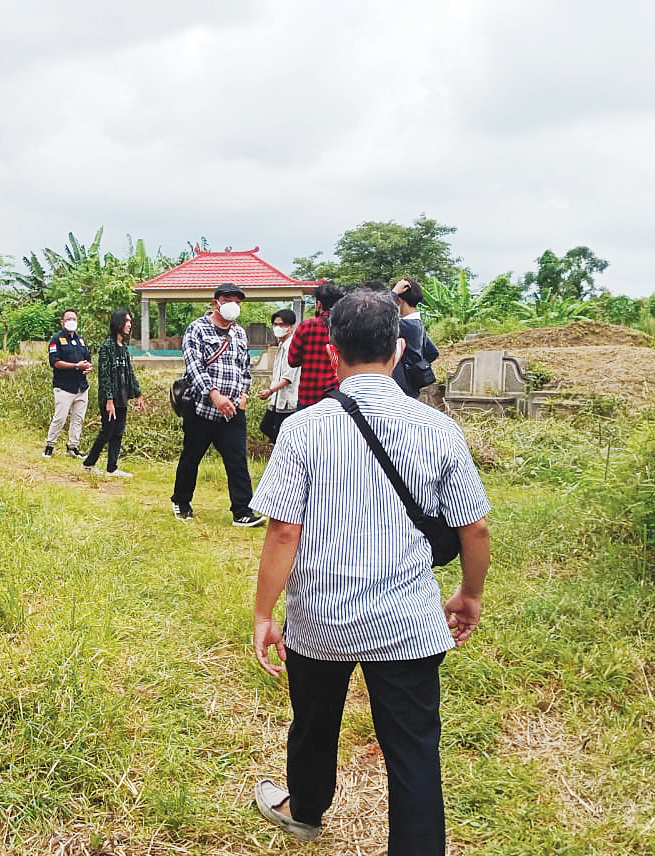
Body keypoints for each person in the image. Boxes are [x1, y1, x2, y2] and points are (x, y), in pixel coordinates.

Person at [249, 288, 492, 851]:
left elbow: (284, 530)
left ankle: (304, 809)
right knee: (412, 749)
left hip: (319, 619)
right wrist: (469, 593)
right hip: (406, 621)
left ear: (331, 352)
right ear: (400, 348)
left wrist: (264, 614)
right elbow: (473, 529)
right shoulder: (438, 430)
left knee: (313, 724)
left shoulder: (302, 429)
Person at [170, 282, 264, 527]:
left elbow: (245, 368)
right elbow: (194, 366)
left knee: (237, 460)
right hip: (201, 408)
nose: (234, 305)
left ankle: (242, 511)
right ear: (216, 303)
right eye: (229, 300)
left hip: (233, 411)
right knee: (192, 456)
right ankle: (181, 500)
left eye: (238, 302)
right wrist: (214, 395)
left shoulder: (239, 333)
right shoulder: (197, 329)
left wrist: (244, 394)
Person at [82, 309, 146, 478]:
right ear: (118, 323)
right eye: (127, 321)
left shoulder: (124, 348)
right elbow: (105, 376)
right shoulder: (106, 347)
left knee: (118, 432)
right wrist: (109, 400)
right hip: (110, 398)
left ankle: (112, 468)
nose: (129, 325)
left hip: (122, 397)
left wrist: (138, 394)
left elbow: (129, 373)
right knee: (107, 431)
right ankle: (89, 463)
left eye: (131, 322)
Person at [287, 284, 345, 407]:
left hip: (309, 396)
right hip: (337, 396)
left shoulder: (306, 326)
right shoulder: (347, 328)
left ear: (319, 304)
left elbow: (292, 361)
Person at [44, 308, 91, 459]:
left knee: (78, 419)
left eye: (74, 319)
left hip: (81, 387)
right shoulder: (56, 340)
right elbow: (55, 362)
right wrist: (76, 366)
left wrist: (89, 367)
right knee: (60, 418)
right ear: (62, 322)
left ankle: (73, 447)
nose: (72, 322)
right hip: (64, 387)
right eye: (68, 319)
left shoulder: (80, 340)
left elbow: (87, 360)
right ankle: (49, 446)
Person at [390, 277, 441, 399]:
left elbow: (379, 315)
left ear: (399, 301)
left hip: (401, 388)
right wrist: (418, 367)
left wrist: (393, 293)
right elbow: (433, 353)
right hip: (412, 387)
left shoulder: (404, 325)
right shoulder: (417, 324)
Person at [257, 308, 300, 443]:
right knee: (267, 427)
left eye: (281, 325)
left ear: (290, 327)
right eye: (275, 325)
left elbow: (287, 378)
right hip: (277, 399)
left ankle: (285, 455)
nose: (277, 328)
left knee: (279, 432)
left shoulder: (292, 346)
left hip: (288, 400)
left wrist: (270, 391)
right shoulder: (281, 345)